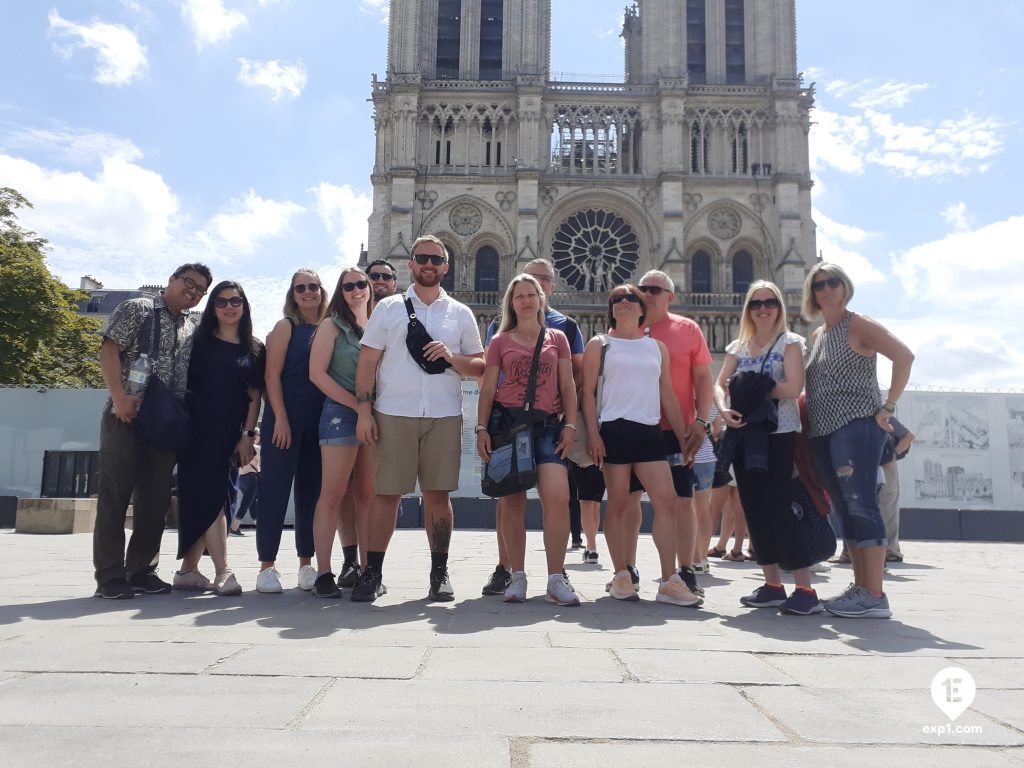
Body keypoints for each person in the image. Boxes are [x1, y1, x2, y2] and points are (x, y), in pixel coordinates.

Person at [354, 235, 485, 602]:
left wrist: (450, 357)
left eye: (436, 259)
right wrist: (364, 410)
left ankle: (439, 573)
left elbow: (479, 366)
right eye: (421, 257)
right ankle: (372, 572)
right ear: (410, 264)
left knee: (438, 496)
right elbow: (367, 362)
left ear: (446, 266)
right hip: (393, 412)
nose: (428, 264)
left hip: (444, 414)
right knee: (386, 496)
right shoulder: (388, 308)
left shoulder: (461, 313)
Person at [93, 263, 212, 599]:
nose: (193, 291)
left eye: (200, 289)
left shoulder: (190, 325)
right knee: (115, 497)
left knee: (155, 502)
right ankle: (110, 575)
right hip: (126, 416)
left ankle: (142, 570)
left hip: (165, 422)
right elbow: (109, 349)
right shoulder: (139, 308)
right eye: (189, 283)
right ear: (172, 279)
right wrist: (119, 398)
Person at [803, 262, 914, 619]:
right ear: (812, 294)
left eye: (833, 282)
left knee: (861, 503)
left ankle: (875, 593)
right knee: (844, 507)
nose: (826, 289)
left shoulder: (858, 324)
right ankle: (860, 587)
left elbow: (903, 355)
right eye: (819, 284)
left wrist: (888, 406)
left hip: (855, 425)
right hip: (823, 431)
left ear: (845, 287)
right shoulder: (819, 335)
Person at [581, 284, 700, 607]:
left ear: (642, 308)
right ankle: (621, 575)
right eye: (616, 299)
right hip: (614, 430)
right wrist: (593, 433)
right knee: (618, 505)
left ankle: (668, 580)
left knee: (667, 500)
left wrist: (683, 435)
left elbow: (668, 396)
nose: (623, 302)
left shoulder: (655, 347)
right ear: (611, 309)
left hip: (649, 431)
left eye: (630, 298)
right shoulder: (599, 344)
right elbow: (588, 394)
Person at [479, 258, 585, 595]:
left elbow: (568, 386)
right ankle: (518, 576)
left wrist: (570, 425)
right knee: (512, 502)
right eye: (519, 295)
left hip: (549, 427)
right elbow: (487, 388)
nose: (526, 300)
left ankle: (556, 576)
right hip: (509, 427)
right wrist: (481, 429)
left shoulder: (559, 337)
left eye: (532, 294)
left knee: (558, 497)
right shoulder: (499, 340)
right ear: (511, 302)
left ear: (542, 299)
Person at [714, 280, 818, 615]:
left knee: (778, 506)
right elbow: (720, 384)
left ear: (779, 307)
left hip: (777, 433)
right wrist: (724, 406)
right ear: (748, 309)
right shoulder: (738, 345)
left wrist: (751, 389)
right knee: (753, 508)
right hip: (744, 433)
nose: (762, 308)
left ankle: (805, 588)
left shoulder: (790, 342)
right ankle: (773, 584)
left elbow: (793, 388)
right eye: (756, 303)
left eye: (769, 302)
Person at [174, 281, 265, 596]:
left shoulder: (254, 348)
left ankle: (187, 571)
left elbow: (255, 397)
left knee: (216, 496)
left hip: (230, 434)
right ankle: (224, 571)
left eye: (235, 301)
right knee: (210, 497)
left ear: (244, 305)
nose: (229, 307)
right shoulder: (196, 343)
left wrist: (247, 436)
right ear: (213, 307)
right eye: (222, 302)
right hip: (195, 430)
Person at [635, 270, 714, 598]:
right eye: (642, 289)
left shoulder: (687, 329)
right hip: (635, 429)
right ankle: (627, 571)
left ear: (670, 295)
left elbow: (704, 380)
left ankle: (686, 569)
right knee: (627, 504)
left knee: (683, 502)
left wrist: (702, 422)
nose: (647, 294)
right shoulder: (625, 328)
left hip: (676, 431)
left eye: (654, 289)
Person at [256, 269, 328, 594]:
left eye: (313, 286)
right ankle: (266, 567)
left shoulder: (330, 328)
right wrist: (281, 418)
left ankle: (305, 564)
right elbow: (271, 377)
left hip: (318, 420)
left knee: (309, 495)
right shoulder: (286, 326)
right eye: (301, 288)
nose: (308, 292)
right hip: (284, 418)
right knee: (275, 490)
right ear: (293, 294)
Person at [307, 268, 375, 598]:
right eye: (348, 286)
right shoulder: (332, 325)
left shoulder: (380, 323)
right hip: (340, 414)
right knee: (332, 494)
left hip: (373, 416)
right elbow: (317, 374)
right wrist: (357, 405)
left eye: (361, 284)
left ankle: (367, 571)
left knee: (367, 497)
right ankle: (323, 573)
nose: (356, 290)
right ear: (340, 291)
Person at [335, 258, 401, 588]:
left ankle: (371, 567)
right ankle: (351, 562)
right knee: (348, 490)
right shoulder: (345, 320)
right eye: (369, 277)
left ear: (395, 281)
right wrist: (358, 407)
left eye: (384, 277)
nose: (376, 282)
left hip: (390, 412)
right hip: (352, 410)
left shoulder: (402, 316)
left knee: (377, 492)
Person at [880, 416, 914, 563]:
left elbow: (908, 437)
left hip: (885, 465)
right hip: (865, 463)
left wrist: (891, 456)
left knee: (887, 508)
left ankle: (891, 550)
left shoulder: (881, 413)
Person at [230, 437, 260, 536]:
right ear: (256, 437)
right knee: (246, 504)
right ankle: (234, 528)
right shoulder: (257, 448)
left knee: (251, 504)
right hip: (252, 477)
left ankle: (259, 527)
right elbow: (261, 463)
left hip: (242, 478)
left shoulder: (241, 447)